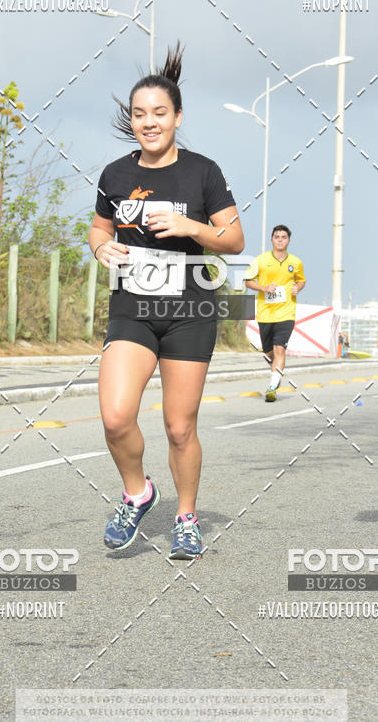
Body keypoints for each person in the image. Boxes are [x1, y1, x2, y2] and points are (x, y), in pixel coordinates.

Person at [89, 43, 244, 560]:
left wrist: (189, 226)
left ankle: (185, 518)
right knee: (115, 417)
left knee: (180, 427)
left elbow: (235, 240)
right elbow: (97, 227)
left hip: (190, 308)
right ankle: (138, 493)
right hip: (132, 304)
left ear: (178, 116)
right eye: (139, 114)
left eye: (159, 113)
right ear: (130, 120)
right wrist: (100, 247)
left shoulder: (203, 172)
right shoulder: (114, 175)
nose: (149, 122)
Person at [244, 225, 306, 402]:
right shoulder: (260, 260)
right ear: (272, 240)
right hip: (265, 313)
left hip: (287, 312)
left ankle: (272, 387)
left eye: (283, 237)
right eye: (277, 237)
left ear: (288, 240)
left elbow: (301, 280)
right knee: (269, 352)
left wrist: (297, 288)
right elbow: (248, 282)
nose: (280, 239)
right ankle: (275, 370)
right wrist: (264, 287)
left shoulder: (295, 262)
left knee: (280, 349)